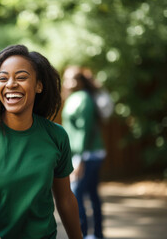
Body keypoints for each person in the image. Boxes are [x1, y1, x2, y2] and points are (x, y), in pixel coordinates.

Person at [0, 45, 83, 239]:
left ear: (39, 85)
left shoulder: (56, 136)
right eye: (3, 78)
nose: (11, 84)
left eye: (21, 77)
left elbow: (65, 200)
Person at [61, 66, 106, 239]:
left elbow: (85, 131)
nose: (69, 82)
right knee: (92, 195)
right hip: (87, 154)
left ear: (81, 81)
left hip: (87, 155)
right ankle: (96, 235)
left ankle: (85, 234)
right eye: (67, 78)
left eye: (74, 78)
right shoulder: (74, 98)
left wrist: (79, 158)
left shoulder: (83, 99)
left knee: (76, 195)